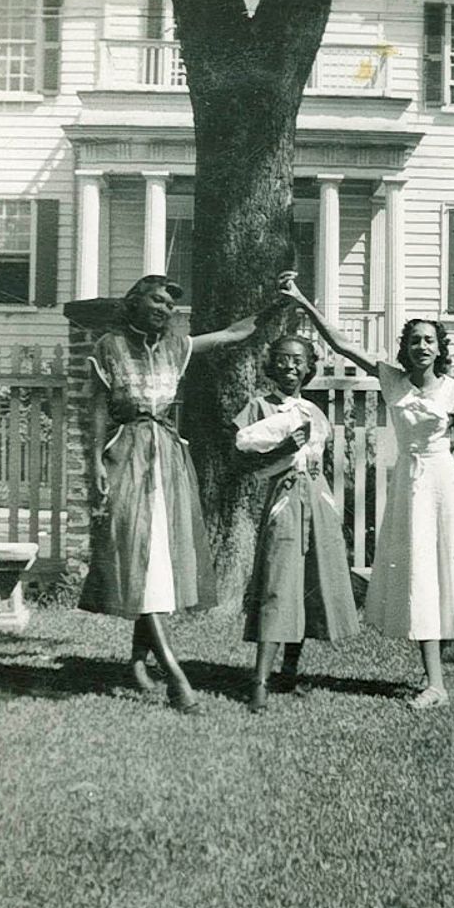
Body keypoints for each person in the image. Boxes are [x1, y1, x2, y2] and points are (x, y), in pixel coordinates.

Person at [279, 275, 454, 710]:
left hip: (444, 487)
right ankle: (435, 678)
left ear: (439, 347)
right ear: (405, 348)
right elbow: (339, 344)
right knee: (419, 576)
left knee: (438, 577)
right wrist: (302, 301)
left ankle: (435, 684)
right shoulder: (393, 381)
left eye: (429, 340)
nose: (422, 347)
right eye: (414, 341)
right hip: (408, 489)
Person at [78, 274, 268, 714]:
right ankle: (177, 680)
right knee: (137, 552)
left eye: (169, 303)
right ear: (134, 302)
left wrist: (279, 304)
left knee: (159, 558)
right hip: (126, 453)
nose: (164, 308)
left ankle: (138, 663)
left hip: (167, 456)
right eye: (156, 299)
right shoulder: (109, 346)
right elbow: (96, 410)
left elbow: (233, 334)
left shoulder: (177, 346)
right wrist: (94, 464)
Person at [233, 333, 360, 714]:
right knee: (278, 583)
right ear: (272, 365)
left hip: (317, 500)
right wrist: (285, 448)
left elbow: (322, 460)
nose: (291, 366)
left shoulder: (314, 413)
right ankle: (259, 680)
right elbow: (243, 463)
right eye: (283, 359)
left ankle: (290, 671)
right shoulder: (258, 407)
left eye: (298, 361)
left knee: (307, 584)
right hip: (284, 499)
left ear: (309, 368)